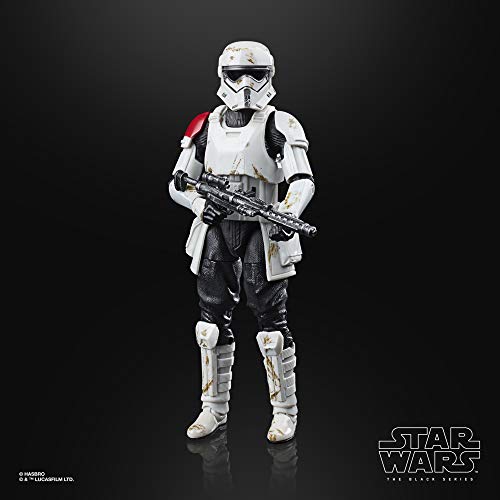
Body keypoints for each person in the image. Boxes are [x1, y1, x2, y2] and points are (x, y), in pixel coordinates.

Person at [169, 41, 315, 443]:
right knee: (209, 326)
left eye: (256, 74)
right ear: (223, 76)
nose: (246, 83)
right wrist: (201, 204)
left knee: (272, 327)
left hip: (261, 229)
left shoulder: (279, 124)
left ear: (270, 76)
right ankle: (212, 409)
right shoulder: (206, 124)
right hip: (216, 227)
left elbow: (302, 179)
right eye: (236, 75)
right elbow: (178, 182)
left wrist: (288, 212)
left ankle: (284, 412)